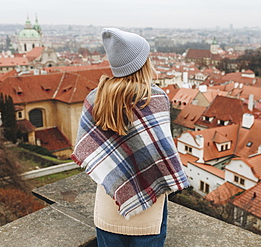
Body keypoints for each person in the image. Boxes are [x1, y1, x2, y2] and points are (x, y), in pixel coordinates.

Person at [71, 28, 189, 247]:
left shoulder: (95, 98)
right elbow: (161, 156)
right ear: (143, 63)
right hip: (149, 212)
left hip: (109, 203)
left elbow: (90, 151)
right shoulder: (156, 98)